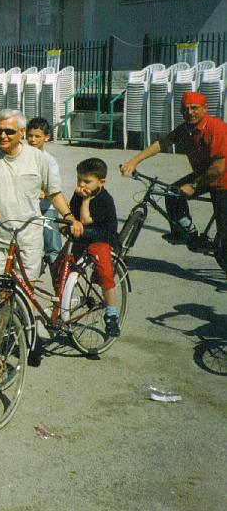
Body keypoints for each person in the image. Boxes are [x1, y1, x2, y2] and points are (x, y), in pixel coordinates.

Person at [0, 109, 81, 283]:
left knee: (27, 287)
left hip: (29, 235)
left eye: (9, 131)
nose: (3, 135)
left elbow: (54, 192)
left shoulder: (38, 158)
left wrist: (69, 217)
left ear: (21, 132)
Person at [120, 91, 227, 248]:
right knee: (172, 194)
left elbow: (219, 168)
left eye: (194, 108)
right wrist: (133, 161)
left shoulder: (216, 128)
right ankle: (186, 234)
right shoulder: (185, 129)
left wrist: (193, 186)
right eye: (185, 109)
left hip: (223, 181)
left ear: (205, 108)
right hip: (205, 175)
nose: (189, 112)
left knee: (224, 233)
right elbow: (162, 144)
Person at [69, 158, 121, 338]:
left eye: (87, 182)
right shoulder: (79, 194)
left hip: (101, 237)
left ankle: (111, 314)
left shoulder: (104, 199)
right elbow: (71, 214)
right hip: (83, 236)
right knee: (65, 265)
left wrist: (85, 200)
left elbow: (84, 220)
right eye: (79, 180)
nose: (81, 185)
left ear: (102, 182)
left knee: (105, 273)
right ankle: (64, 299)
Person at [26, 117, 63, 264]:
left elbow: (54, 187)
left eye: (37, 136)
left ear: (46, 137)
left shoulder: (49, 160)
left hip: (46, 207)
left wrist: (43, 191)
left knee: (53, 248)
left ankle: (59, 280)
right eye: (30, 136)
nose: (33, 140)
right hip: (28, 207)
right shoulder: (23, 156)